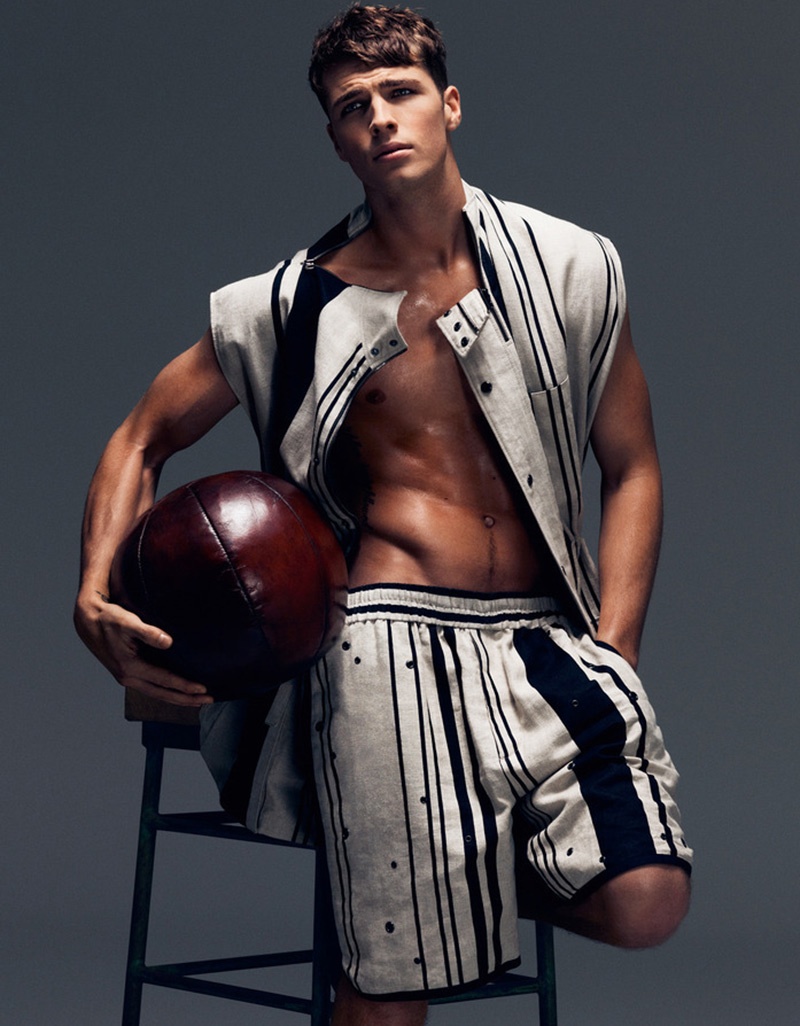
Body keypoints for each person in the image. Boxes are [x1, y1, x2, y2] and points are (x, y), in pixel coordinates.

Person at [74, 5, 692, 1023]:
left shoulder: (573, 265)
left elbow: (631, 467)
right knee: (394, 973)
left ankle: (453, 881)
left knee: (646, 900)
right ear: (335, 139)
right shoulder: (287, 305)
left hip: (545, 634)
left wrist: (615, 649)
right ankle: (398, 924)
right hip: (378, 639)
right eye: (351, 106)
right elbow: (140, 437)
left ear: (449, 104)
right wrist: (94, 594)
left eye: (399, 92)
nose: (380, 118)